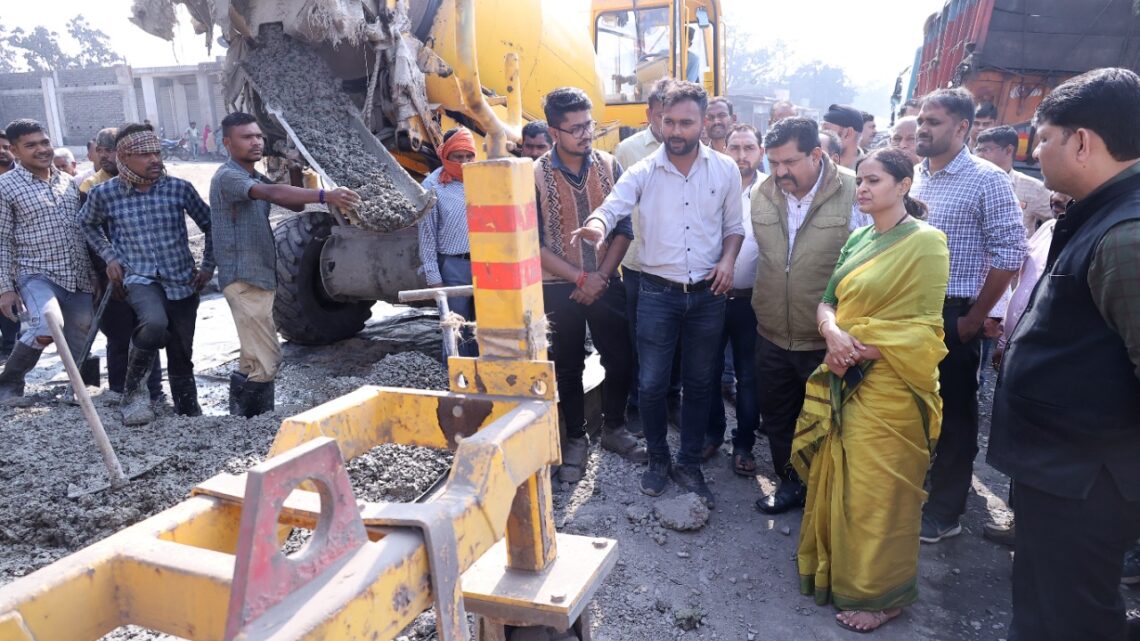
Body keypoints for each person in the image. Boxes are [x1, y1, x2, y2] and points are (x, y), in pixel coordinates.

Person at [987, 67, 1140, 641]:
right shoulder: (1101, 213)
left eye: (1042, 138)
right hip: (1065, 470)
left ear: (1081, 141)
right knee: (1047, 602)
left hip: (1090, 479)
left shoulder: (1127, 234)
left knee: (1070, 618)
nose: (1037, 151)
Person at [794, 147, 949, 633]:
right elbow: (827, 300)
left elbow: (925, 330)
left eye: (874, 180)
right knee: (842, 481)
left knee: (880, 493)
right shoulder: (859, 237)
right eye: (860, 180)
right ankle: (840, 570)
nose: (862, 188)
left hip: (891, 389)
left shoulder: (926, 243)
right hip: (845, 371)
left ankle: (883, 596)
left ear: (903, 185)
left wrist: (857, 350)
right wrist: (833, 335)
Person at [576, 80, 744, 508]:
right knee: (650, 383)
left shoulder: (724, 170)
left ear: (704, 123)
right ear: (658, 120)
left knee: (700, 381)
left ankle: (688, 462)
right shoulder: (643, 170)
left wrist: (727, 262)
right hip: (655, 293)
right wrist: (596, 225)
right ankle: (658, 458)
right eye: (668, 121)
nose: (675, 130)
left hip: (707, 295)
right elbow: (612, 206)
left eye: (686, 122)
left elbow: (734, 229)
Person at [912, 87, 1026, 543]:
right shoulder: (914, 178)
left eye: (934, 122)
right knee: (913, 411)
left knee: (956, 418)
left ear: (962, 128)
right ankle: (916, 492)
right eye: (921, 119)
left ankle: (945, 511)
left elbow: (1010, 252)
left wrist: (975, 318)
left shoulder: (987, 179)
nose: (923, 128)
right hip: (909, 315)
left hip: (954, 315)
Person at [211, 112, 360, 417]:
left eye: (258, 136)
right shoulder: (229, 176)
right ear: (227, 142)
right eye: (246, 137)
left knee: (254, 356)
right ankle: (256, 420)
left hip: (258, 277)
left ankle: (243, 421)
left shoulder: (251, 175)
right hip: (243, 278)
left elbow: (293, 203)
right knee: (266, 358)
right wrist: (326, 193)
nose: (256, 142)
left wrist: (296, 164)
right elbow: (270, 193)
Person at [750, 117, 862, 515]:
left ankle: (832, 496)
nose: (780, 172)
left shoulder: (854, 190)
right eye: (773, 162)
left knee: (832, 422)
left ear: (817, 154)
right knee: (778, 417)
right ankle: (790, 484)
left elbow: (871, 263)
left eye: (790, 162)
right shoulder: (761, 193)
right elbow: (754, 255)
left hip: (828, 339)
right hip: (772, 334)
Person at [535, 87, 647, 483]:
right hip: (556, 287)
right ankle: (576, 439)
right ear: (554, 133)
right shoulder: (533, 175)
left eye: (589, 125)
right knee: (566, 364)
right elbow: (534, 244)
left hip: (606, 280)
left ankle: (614, 428)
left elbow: (624, 228)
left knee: (620, 357)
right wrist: (580, 278)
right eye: (576, 128)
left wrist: (599, 278)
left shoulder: (610, 165)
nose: (586, 134)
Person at [81, 123, 215, 425]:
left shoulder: (179, 189)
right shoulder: (105, 194)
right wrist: (109, 257)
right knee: (153, 324)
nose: (154, 159)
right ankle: (134, 395)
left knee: (181, 350)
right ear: (123, 157)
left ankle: (187, 408)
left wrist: (208, 265)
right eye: (144, 154)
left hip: (181, 279)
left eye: (157, 152)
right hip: (139, 277)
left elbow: (210, 224)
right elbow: (86, 224)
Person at [982, 191, 1067, 547]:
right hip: (1020, 348)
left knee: (1050, 449)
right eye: (1056, 195)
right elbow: (1020, 278)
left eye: (1065, 197)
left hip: (1056, 362)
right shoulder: (1048, 227)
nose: (1057, 198)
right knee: (1025, 441)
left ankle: (1046, 535)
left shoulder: (1100, 232)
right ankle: (1022, 522)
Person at [0, 119, 95, 406]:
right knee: (46, 326)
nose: (41, 150)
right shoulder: (5, 187)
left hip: (77, 274)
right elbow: (1, 240)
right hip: (35, 274)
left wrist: (94, 275)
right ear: (15, 150)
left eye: (44, 142)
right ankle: (9, 382)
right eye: (31, 145)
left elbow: (82, 232)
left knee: (81, 331)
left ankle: (78, 390)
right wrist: (5, 288)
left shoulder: (68, 182)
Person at [614, 77, 682, 433]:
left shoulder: (690, 149)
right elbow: (619, 208)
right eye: (660, 117)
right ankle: (640, 404)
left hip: (680, 267)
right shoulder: (627, 152)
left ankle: (672, 398)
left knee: (678, 339)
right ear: (649, 114)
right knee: (641, 337)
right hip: (638, 264)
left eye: (672, 118)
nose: (665, 125)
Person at [80, 127, 164, 405]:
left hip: (145, 273)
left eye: (112, 150)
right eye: (101, 150)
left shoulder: (152, 184)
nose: (106, 156)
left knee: (149, 331)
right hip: (110, 275)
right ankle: (118, 388)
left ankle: (153, 390)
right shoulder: (90, 188)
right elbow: (87, 236)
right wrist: (102, 276)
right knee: (118, 334)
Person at [706, 123, 765, 476]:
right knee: (708, 372)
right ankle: (712, 434)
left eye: (748, 147)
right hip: (712, 297)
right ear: (724, 149)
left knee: (749, 376)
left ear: (759, 152)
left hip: (754, 301)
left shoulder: (772, 191)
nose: (741, 155)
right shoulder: (711, 186)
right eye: (735, 147)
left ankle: (743, 443)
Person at [417, 127, 478, 356]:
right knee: (456, 331)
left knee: (487, 330)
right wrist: (435, 281)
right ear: (445, 155)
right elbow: (427, 236)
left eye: (469, 156)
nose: (464, 163)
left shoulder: (484, 178)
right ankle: (456, 381)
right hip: (454, 267)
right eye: (457, 157)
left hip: (487, 264)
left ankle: (484, 384)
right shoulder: (432, 187)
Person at [974, 125, 1053, 236]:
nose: (979, 155)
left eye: (986, 150)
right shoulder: (968, 184)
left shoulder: (1033, 188)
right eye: (978, 150)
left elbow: (1059, 221)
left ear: (1008, 150)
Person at [0, 132, 18, 361]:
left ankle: (10, 345)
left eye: (5, 147)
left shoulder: (22, 178)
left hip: (16, 251)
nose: (3, 153)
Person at [821, 104, 864, 169]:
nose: (822, 136)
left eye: (827, 131)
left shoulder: (867, 169)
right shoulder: (818, 163)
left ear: (848, 133)